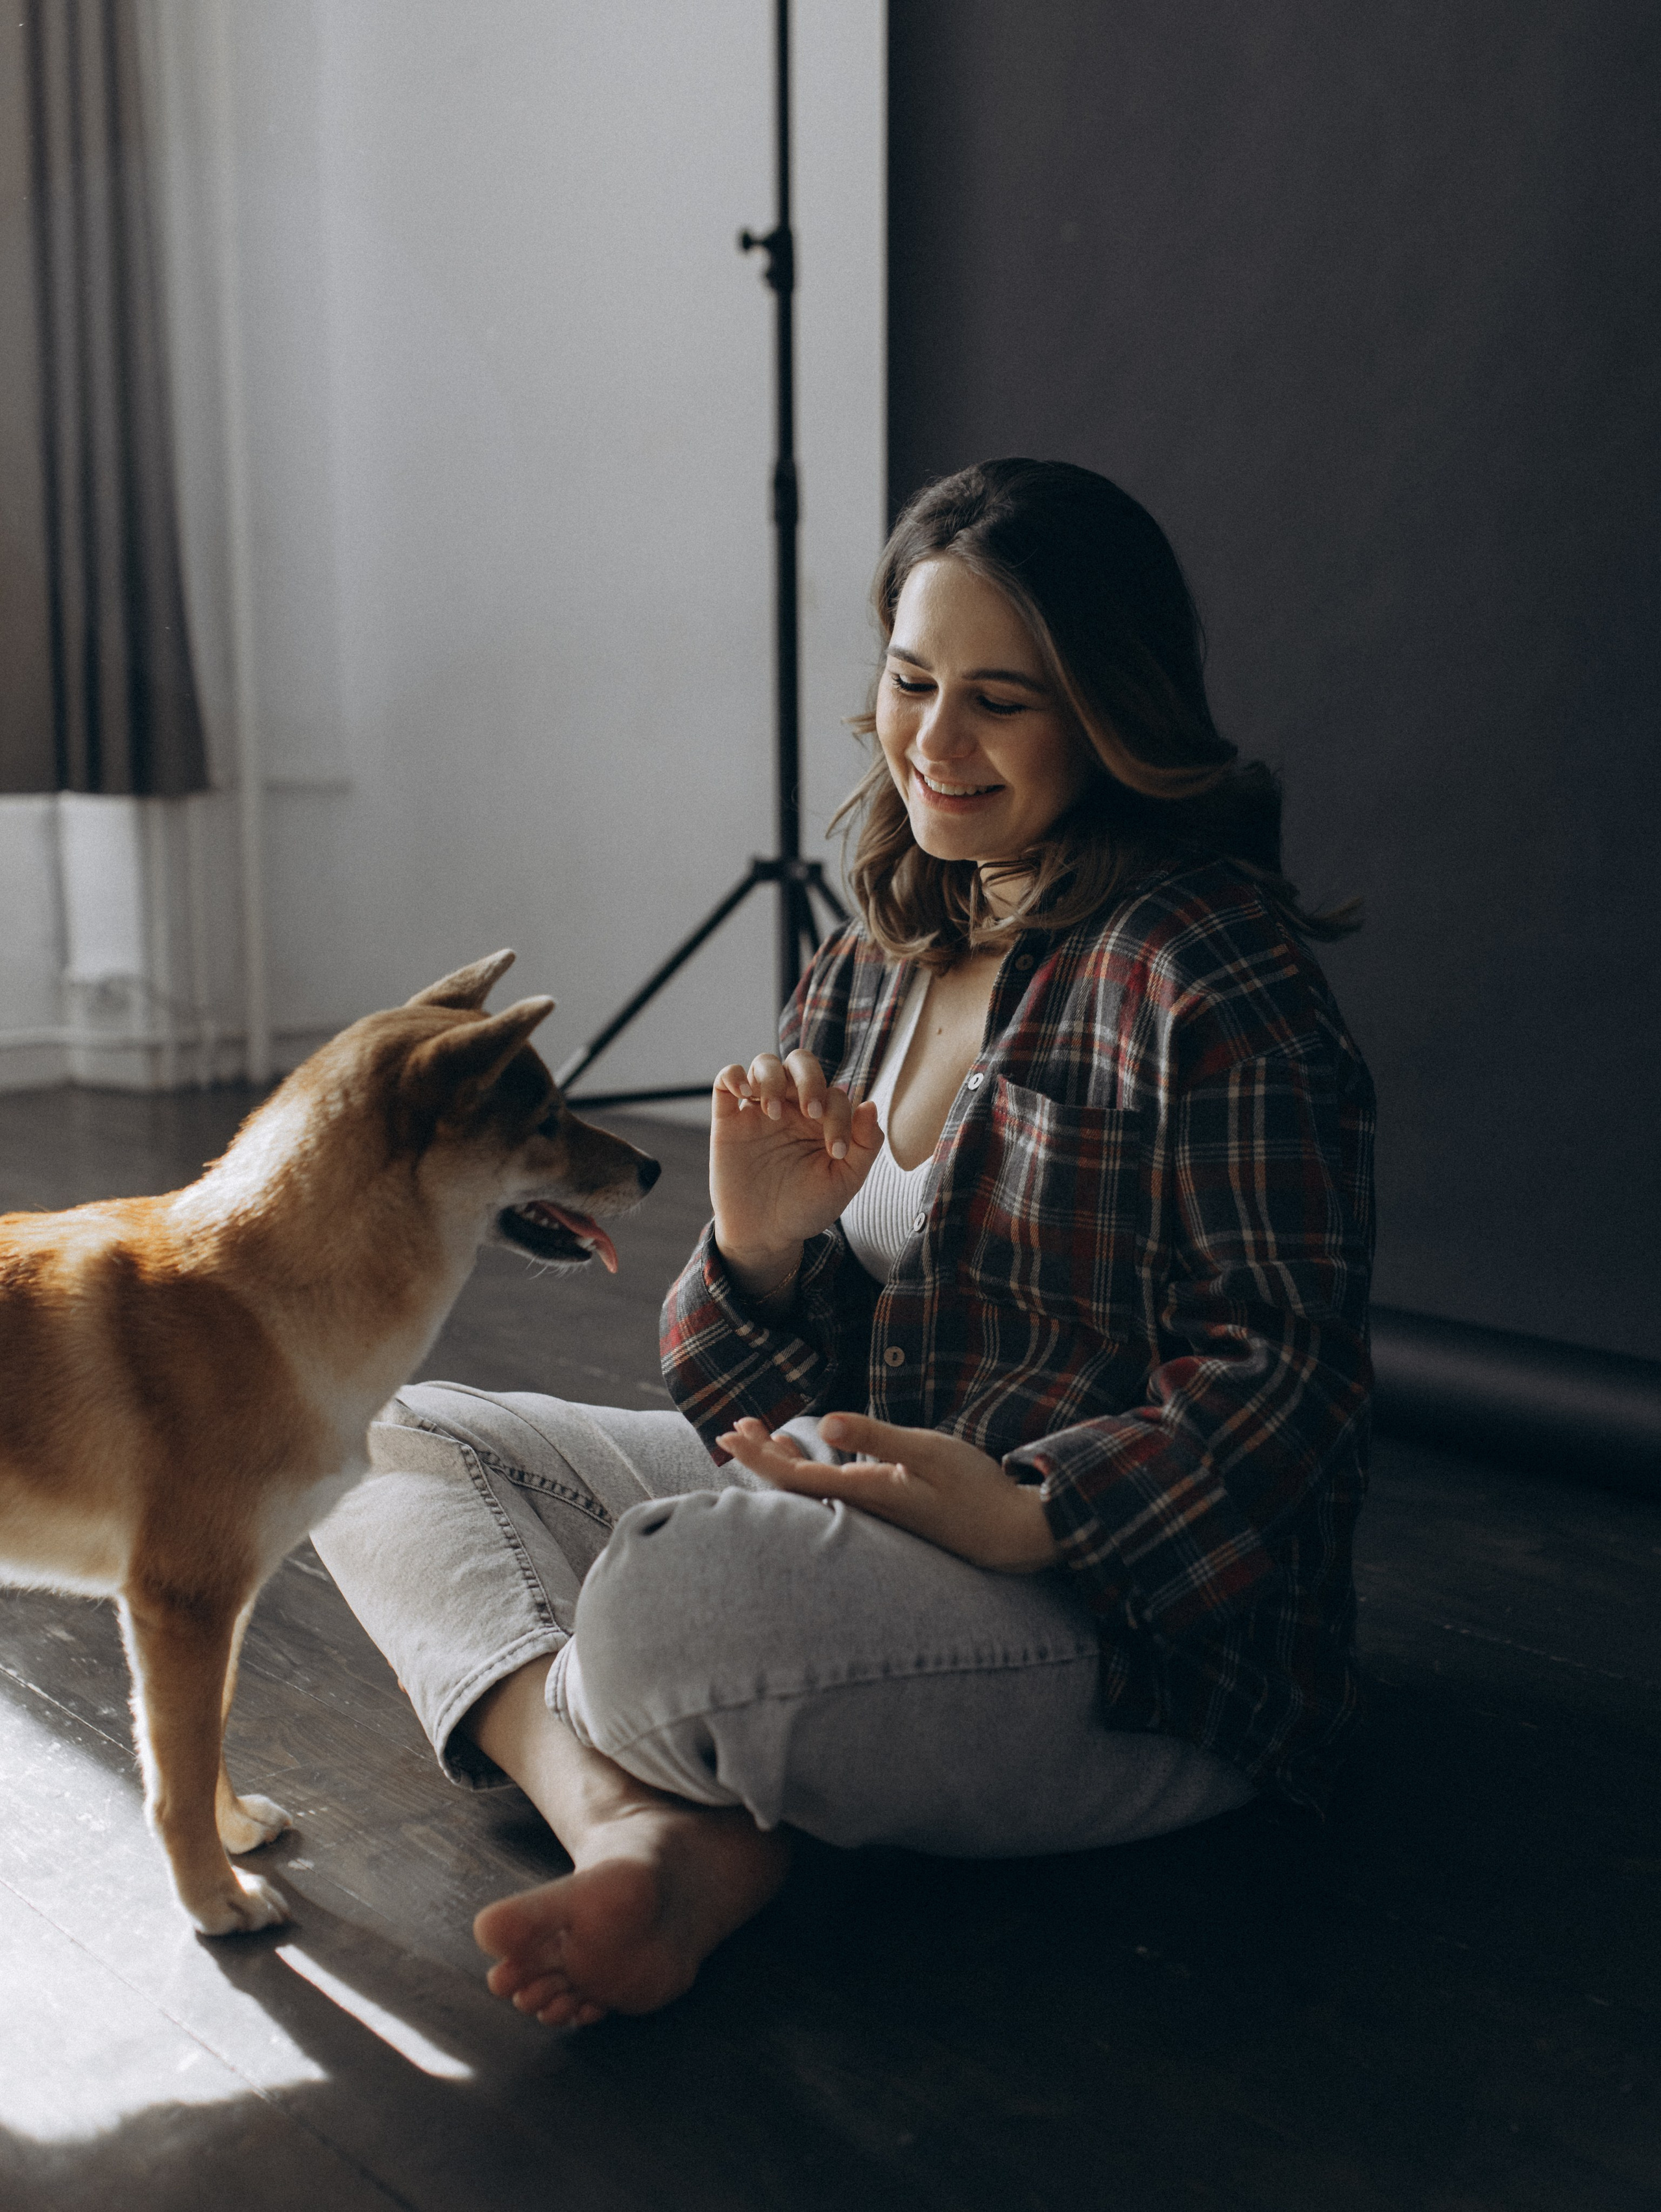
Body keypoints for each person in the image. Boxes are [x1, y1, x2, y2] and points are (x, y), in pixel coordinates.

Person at [313, 458, 1375, 2032]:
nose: (934, 745)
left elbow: (1288, 1376)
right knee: (361, 1435)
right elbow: (763, 1401)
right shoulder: (878, 950)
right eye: (910, 679)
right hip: (862, 1540)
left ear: (1106, 710)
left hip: (1126, 1644)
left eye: (1000, 701)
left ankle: (645, 1762)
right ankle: (642, 1830)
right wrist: (751, 1252)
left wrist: (1032, 1515)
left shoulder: (1208, 973)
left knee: (672, 1601)